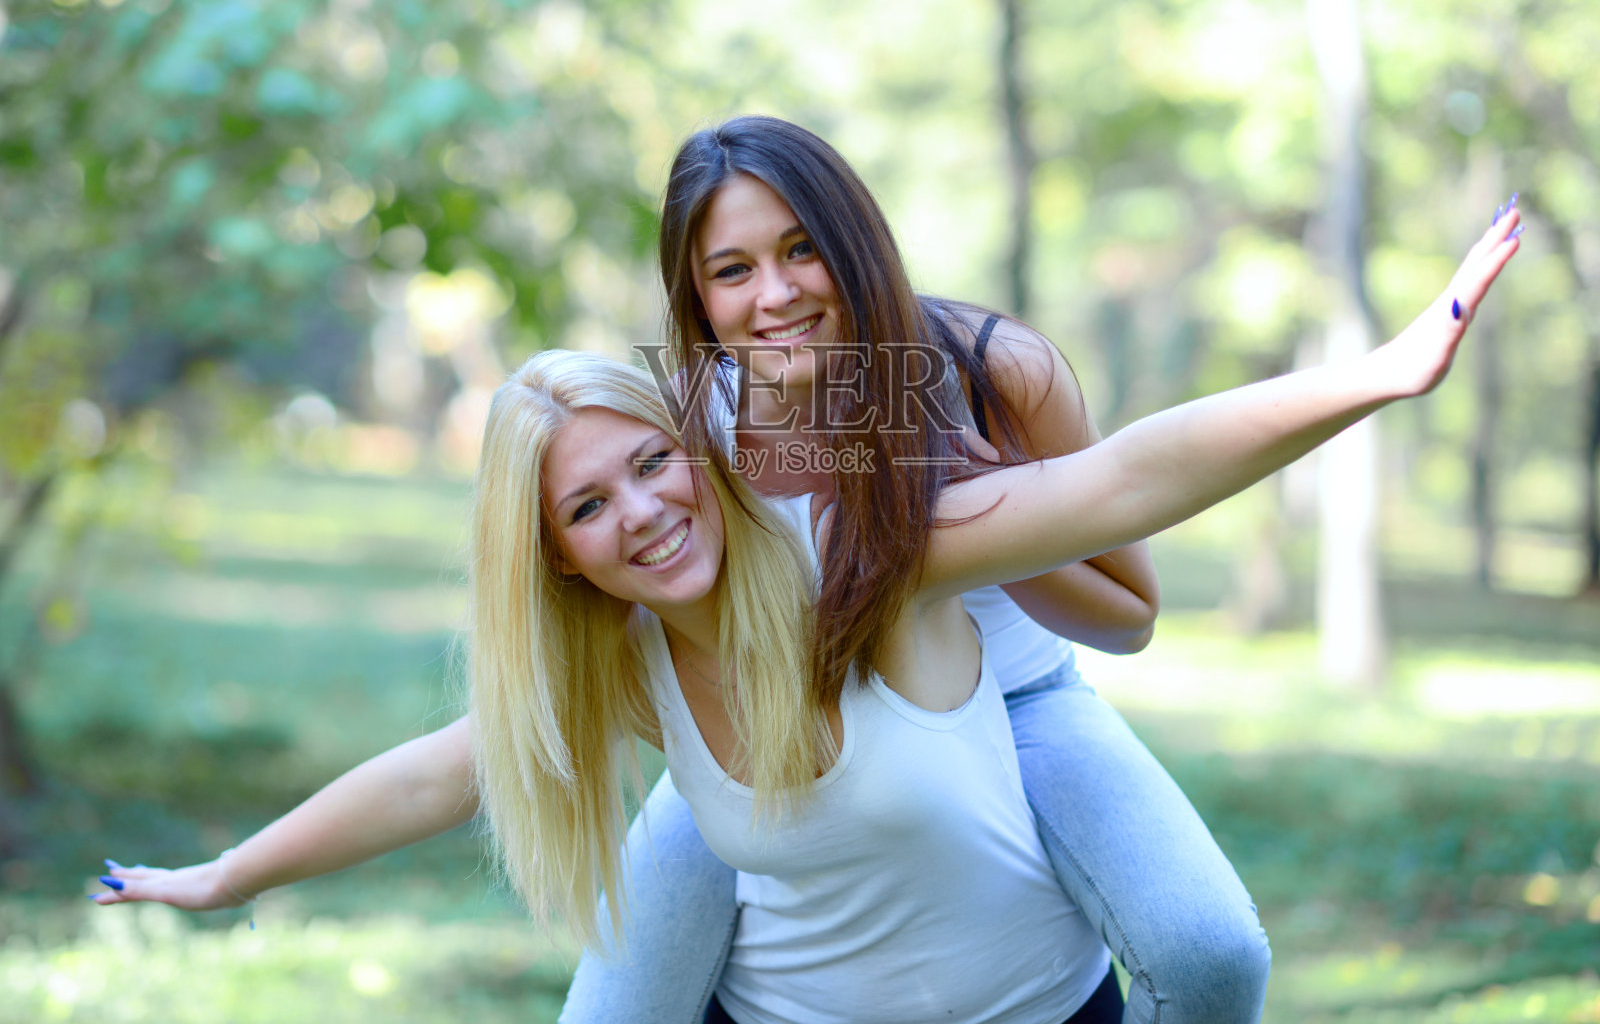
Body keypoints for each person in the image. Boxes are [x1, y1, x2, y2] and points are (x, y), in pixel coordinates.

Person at [90, 200, 1519, 1024]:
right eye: (587, 509)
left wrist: (1379, 375)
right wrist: (230, 875)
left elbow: (1130, 479)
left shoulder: (907, 490)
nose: (641, 508)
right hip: (749, 743)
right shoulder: (672, 473)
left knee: (1212, 946)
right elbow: (443, 766)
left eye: (650, 472)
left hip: (986, 693)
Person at [570, 115, 1209, 1024]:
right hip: (782, 731)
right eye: (733, 270)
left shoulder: (996, 370)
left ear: (854, 239)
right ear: (697, 296)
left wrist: (977, 501)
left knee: (1213, 953)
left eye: (802, 248)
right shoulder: (687, 428)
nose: (776, 293)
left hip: (1021, 707)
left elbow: (1130, 617)